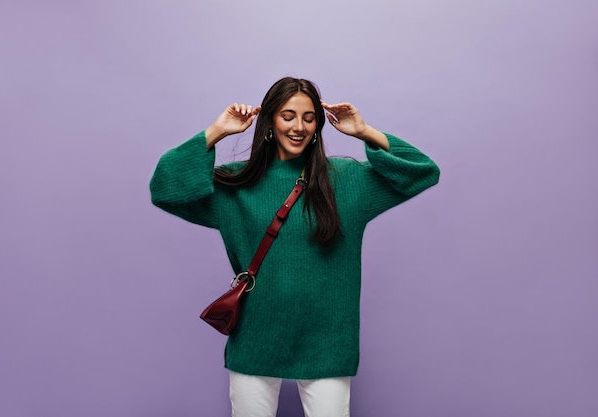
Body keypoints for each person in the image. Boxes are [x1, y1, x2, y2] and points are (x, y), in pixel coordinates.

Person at [150, 77, 440, 417]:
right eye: (288, 116)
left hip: (327, 343)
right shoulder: (237, 186)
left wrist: (364, 131)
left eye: (308, 117)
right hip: (256, 338)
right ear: (270, 121)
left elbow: (423, 170)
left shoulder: (347, 180)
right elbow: (164, 189)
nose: (298, 127)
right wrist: (216, 131)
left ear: (318, 124)